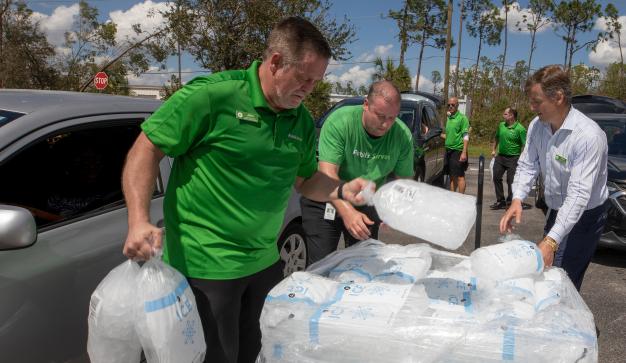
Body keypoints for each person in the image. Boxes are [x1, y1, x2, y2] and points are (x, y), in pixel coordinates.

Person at [121, 17, 370, 363]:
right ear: (276, 62)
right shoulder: (213, 97)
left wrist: (343, 190)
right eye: (304, 78)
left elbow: (306, 181)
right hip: (206, 269)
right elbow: (145, 149)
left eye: (316, 81)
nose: (309, 89)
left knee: (256, 355)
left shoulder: (299, 119)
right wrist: (138, 220)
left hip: (265, 263)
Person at [499, 65, 609, 291]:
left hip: (586, 214)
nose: (531, 107)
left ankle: (565, 321)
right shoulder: (536, 126)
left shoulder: (588, 136)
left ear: (558, 97)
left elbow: (578, 195)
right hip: (557, 208)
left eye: (536, 101)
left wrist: (551, 240)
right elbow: (528, 164)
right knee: (545, 269)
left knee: (562, 280)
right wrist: (517, 198)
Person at [301, 81, 414, 265]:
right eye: (380, 116)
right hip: (326, 196)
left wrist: (394, 211)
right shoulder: (340, 122)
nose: (386, 124)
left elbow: (404, 182)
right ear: (366, 105)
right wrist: (347, 212)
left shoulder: (402, 136)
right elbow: (327, 175)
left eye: (392, 118)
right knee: (321, 264)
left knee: (363, 263)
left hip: (366, 199)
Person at [490, 107, 527, 210]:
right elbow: (496, 137)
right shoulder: (501, 125)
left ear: (511, 116)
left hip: (513, 158)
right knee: (496, 177)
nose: (503, 115)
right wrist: (494, 149)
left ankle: (510, 201)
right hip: (500, 157)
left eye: (505, 114)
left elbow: (525, 145)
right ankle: (500, 201)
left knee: (511, 181)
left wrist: (523, 158)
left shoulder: (520, 129)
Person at [442, 97, 470, 193]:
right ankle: (452, 198)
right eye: (448, 105)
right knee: (452, 176)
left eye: (453, 105)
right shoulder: (449, 117)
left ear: (457, 105)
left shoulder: (462, 118)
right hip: (448, 150)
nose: (450, 106)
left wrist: (464, 152)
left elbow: (465, 136)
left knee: (459, 177)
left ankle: (460, 199)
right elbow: (449, 135)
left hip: (457, 151)